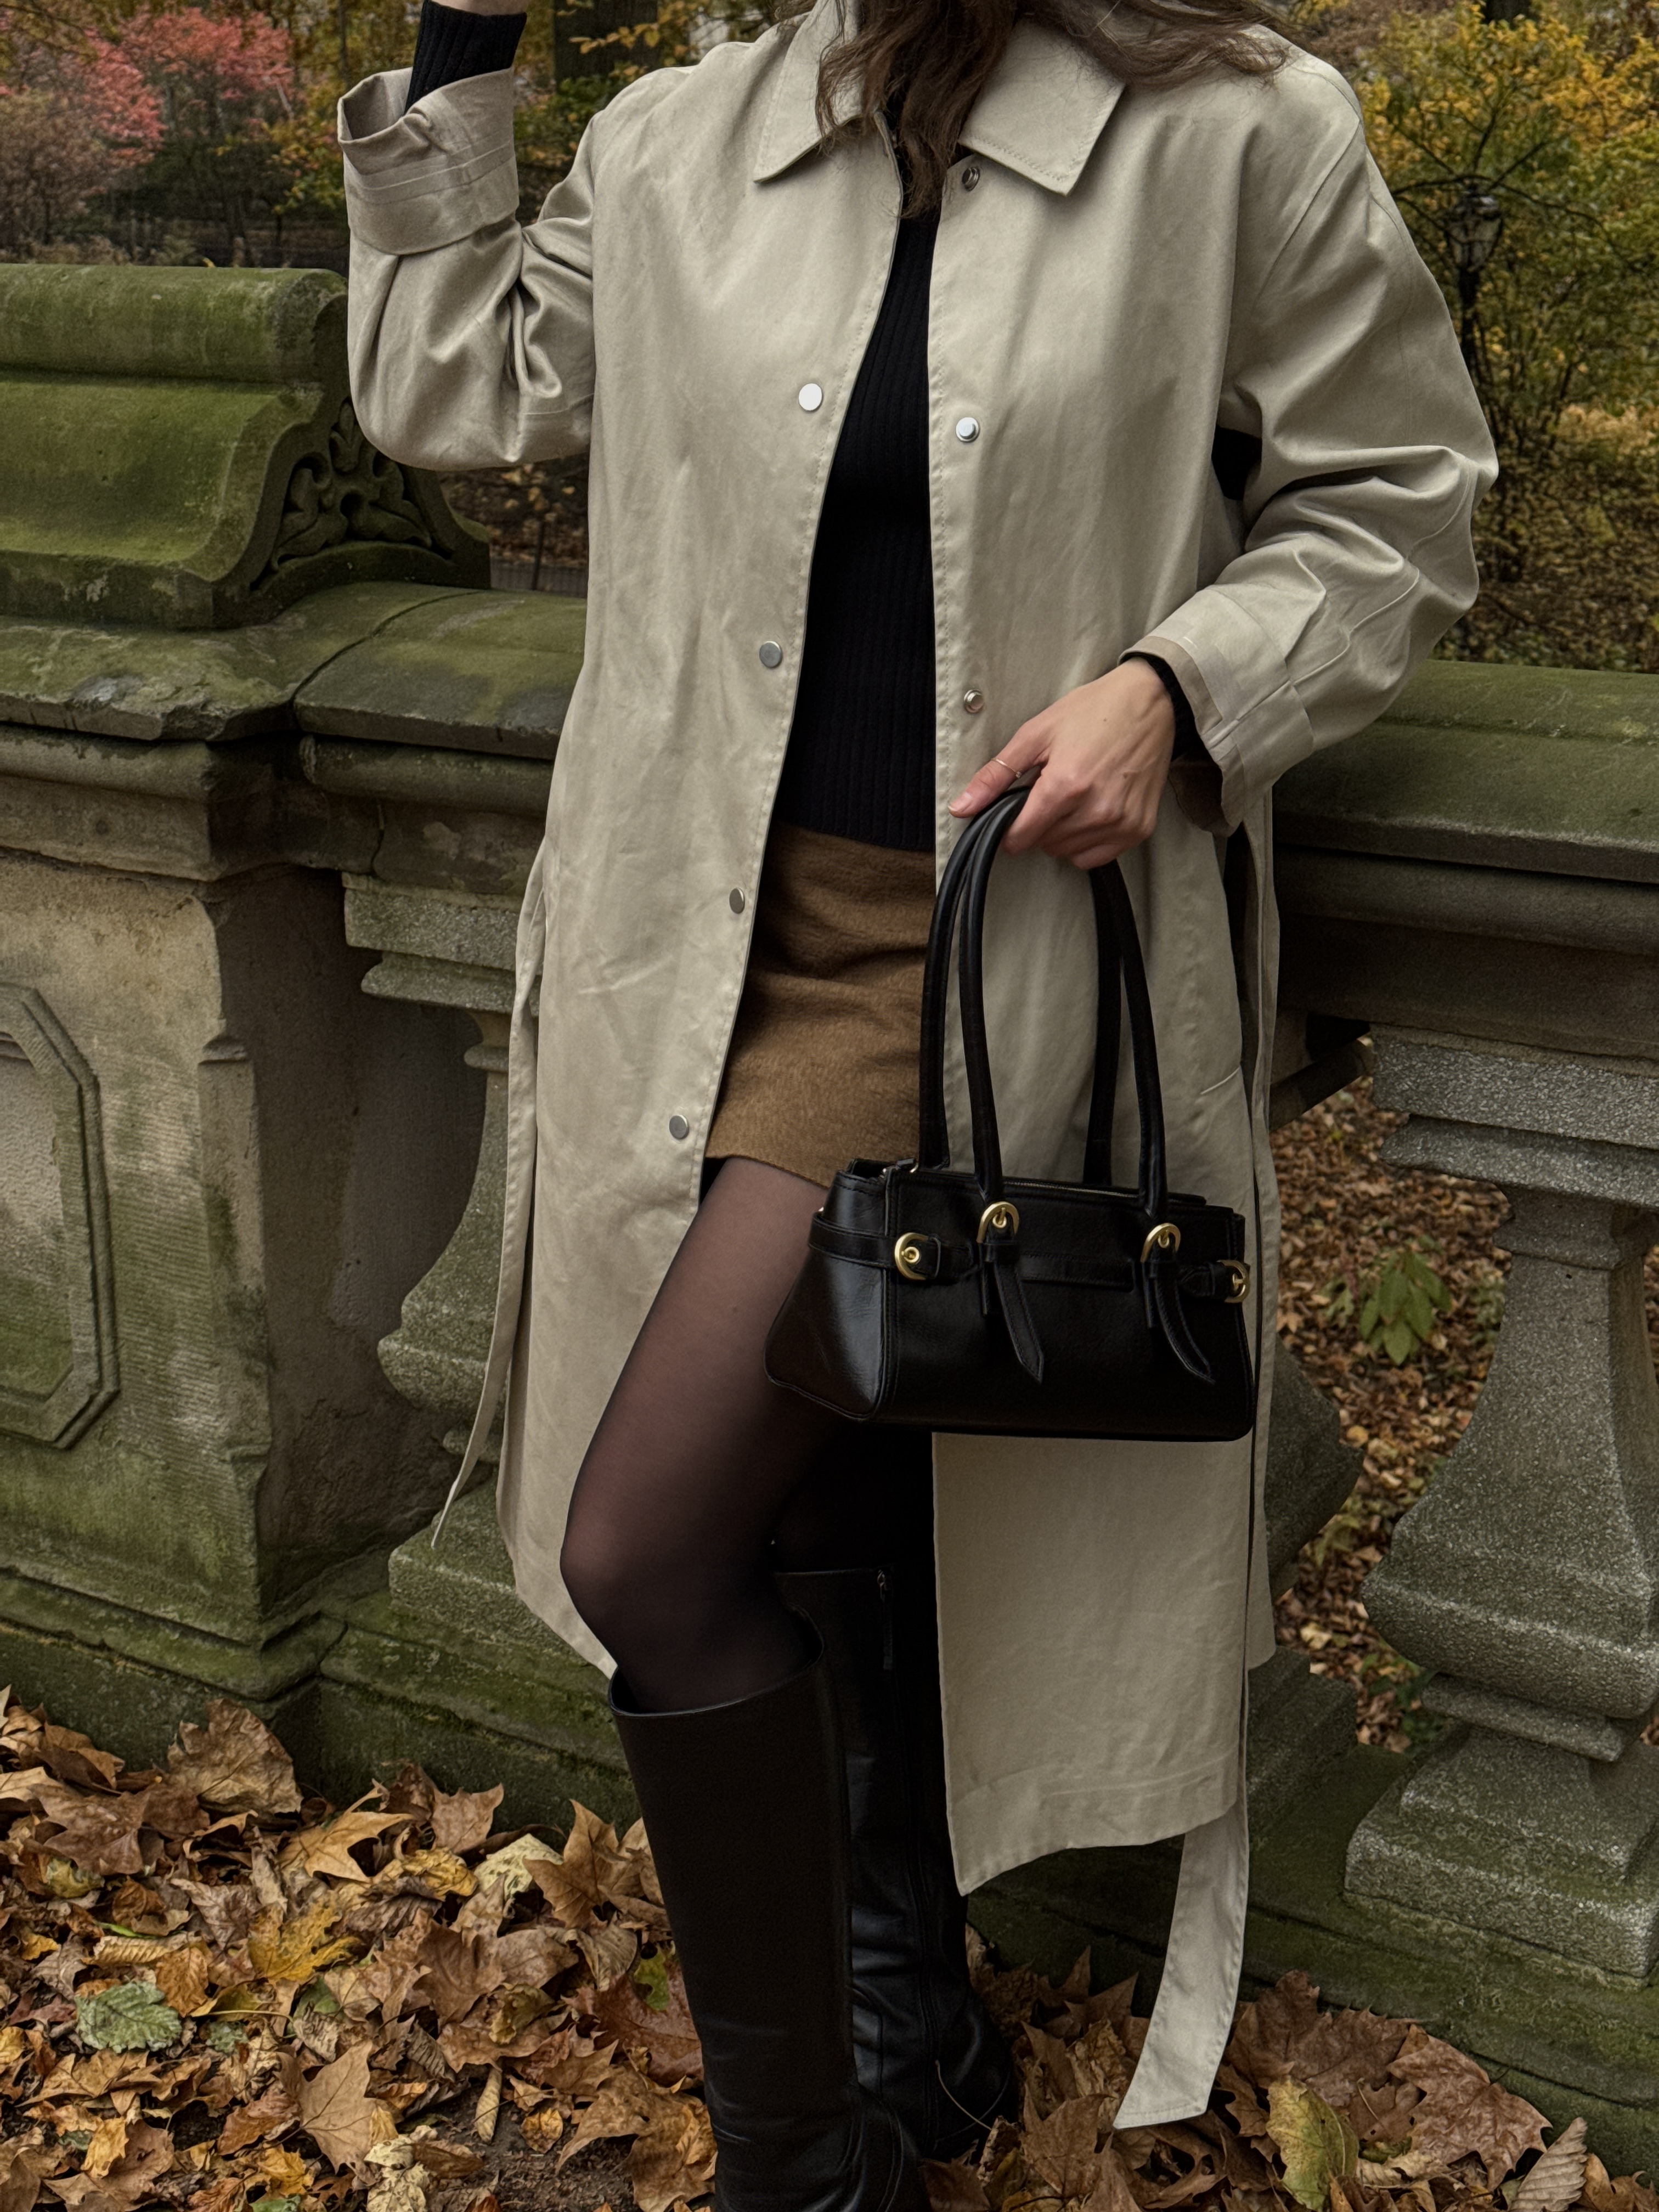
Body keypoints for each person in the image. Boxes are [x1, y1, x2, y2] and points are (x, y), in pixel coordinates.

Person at [337, 0, 1494, 2197]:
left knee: (647, 1542)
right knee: (813, 1496)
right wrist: (461, 46)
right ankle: (904, 2026)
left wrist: (1183, 683)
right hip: (699, 942)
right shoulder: (692, 135)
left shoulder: (1241, 137)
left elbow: (1401, 507)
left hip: (972, 962)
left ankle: (805, 2163)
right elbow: (452, 386)